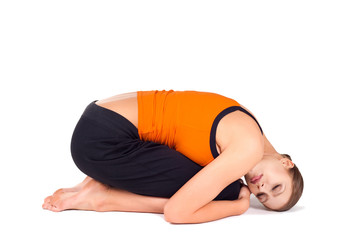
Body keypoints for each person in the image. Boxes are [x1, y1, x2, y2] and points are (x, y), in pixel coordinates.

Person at [42, 90, 303, 223]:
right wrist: (238, 206)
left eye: (262, 197)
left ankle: (101, 179)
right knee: (228, 191)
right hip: (102, 143)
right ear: (286, 163)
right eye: (276, 186)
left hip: (98, 120)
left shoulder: (248, 121)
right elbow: (176, 213)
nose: (260, 188)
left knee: (210, 180)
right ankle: (103, 198)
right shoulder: (248, 149)